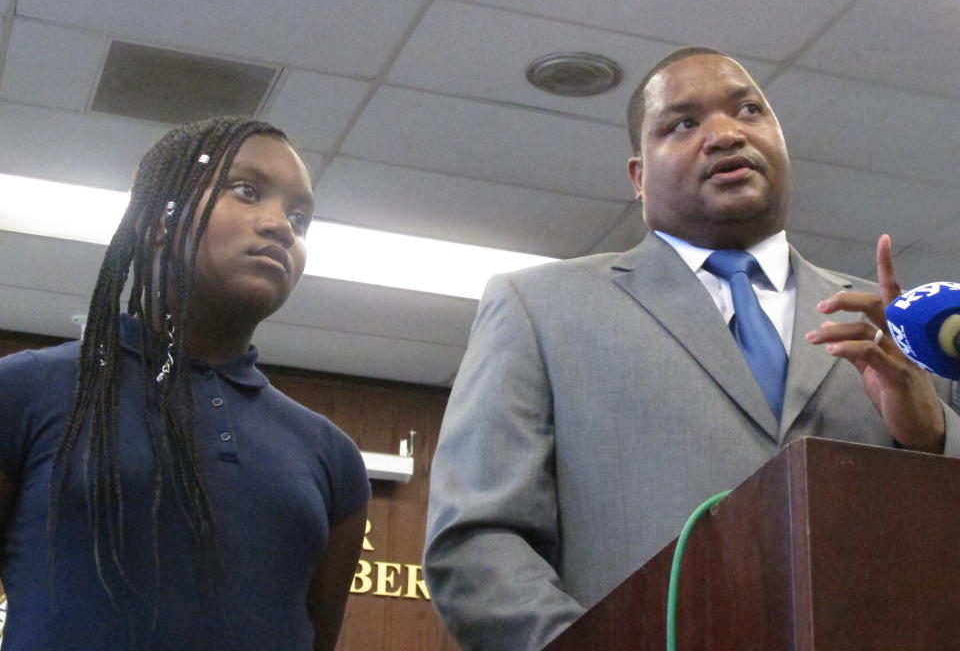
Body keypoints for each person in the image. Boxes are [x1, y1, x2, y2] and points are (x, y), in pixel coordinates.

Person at [423, 47, 960, 651]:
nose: (726, 134)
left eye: (749, 110)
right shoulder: (539, 308)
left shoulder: (900, 326)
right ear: (638, 177)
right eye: (684, 123)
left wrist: (934, 434)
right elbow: (477, 545)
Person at [0, 117, 370, 650]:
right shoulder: (26, 393)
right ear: (159, 219)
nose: (282, 226)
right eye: (247, 191)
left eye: (300, 217)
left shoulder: (330, 457)